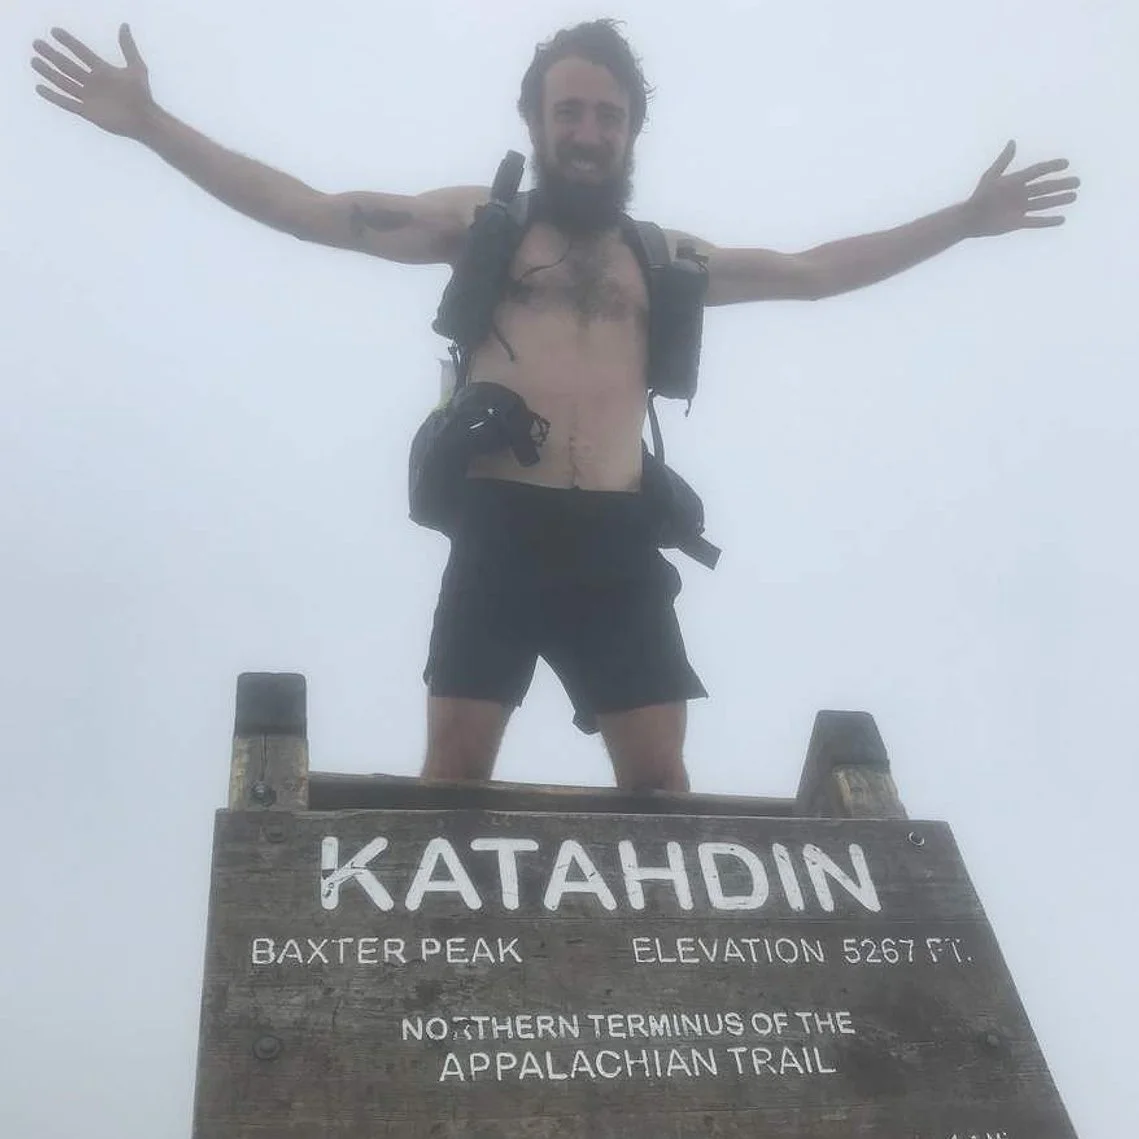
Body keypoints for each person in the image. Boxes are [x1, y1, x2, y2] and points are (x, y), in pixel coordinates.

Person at [31, 19, 1080, 794]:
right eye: (569, 110)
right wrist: (153, 125)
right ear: (535, 120)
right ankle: (447, 993)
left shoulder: (658, 255)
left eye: (607, 115)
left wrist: (962, 220)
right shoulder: (486, 224)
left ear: (631, 133)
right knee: (453, 772)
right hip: (501, 527)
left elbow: (809, 271)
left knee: (660, 780)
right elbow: (314, 213)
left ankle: (670, 999)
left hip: (618, 540)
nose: (587, 130)